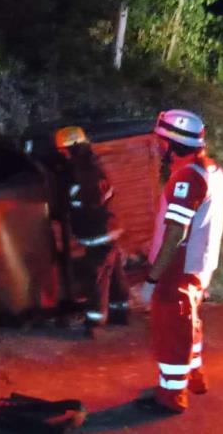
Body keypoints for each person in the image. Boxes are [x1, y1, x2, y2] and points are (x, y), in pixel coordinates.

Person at [138, 110, 223, 414]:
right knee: (190, 322)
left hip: (179, 268)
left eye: (160, 141)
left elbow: (176, 233)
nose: (157, 146)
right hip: (200, 265)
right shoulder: (211, 170)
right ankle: (193, 376)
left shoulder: (186, 178)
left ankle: (171, 395)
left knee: (172, 329)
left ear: (170, 144)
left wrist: (152, 279)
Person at [54, 126, 131, 338]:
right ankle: (120, 311)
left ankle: (95, 322)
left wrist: (68, 206)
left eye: (63, 150)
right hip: (109, 228)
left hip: (98, 232)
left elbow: (91, 202)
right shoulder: (92, 166)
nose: (61, 154)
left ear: (72, 149)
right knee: (113, 270)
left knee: (97, 276)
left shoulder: (83, 173)